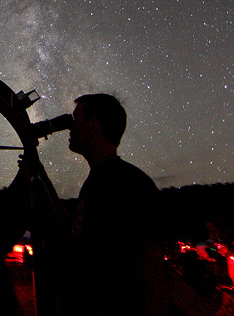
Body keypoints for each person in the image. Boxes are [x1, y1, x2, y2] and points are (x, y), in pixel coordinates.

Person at [67, 93, 169, 315]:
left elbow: (151, 273)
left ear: (93, 126)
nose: (70, 127)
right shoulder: (103, 180)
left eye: (76, 119)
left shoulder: (128, 183)